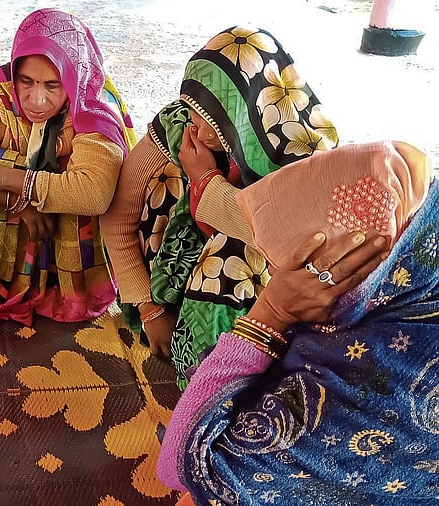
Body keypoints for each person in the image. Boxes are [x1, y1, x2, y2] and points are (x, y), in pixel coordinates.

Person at [157, 141, 435, 504]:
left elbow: (185, 465)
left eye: (288, 266)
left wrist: (272, 313)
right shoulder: (418, 260)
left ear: (340, 272)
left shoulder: (358, 388)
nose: (272, 272)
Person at [99, 27, 338, 372]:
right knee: (165, 178)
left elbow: (276, 239)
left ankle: (223, 368)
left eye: (212, 113)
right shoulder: (180, 124)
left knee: (236, 247)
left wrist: (205, 181)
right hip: (169, 287)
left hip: (264, 311)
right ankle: (187, 337)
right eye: (194, 106)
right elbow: (117, 215)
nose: (195, 125)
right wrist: (149, 309)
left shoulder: (303, 154)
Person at [0, 7, 137, 325]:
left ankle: (66, 288)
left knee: (79, 179)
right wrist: (19, 204)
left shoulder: (93, 105)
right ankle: (0, 280)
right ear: (15, 71)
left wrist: (6, 177)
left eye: (53, 85)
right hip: (3, 254)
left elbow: (94, 194)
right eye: (27, 82)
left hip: (75, 257)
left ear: (73, 78)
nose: (36, 100)